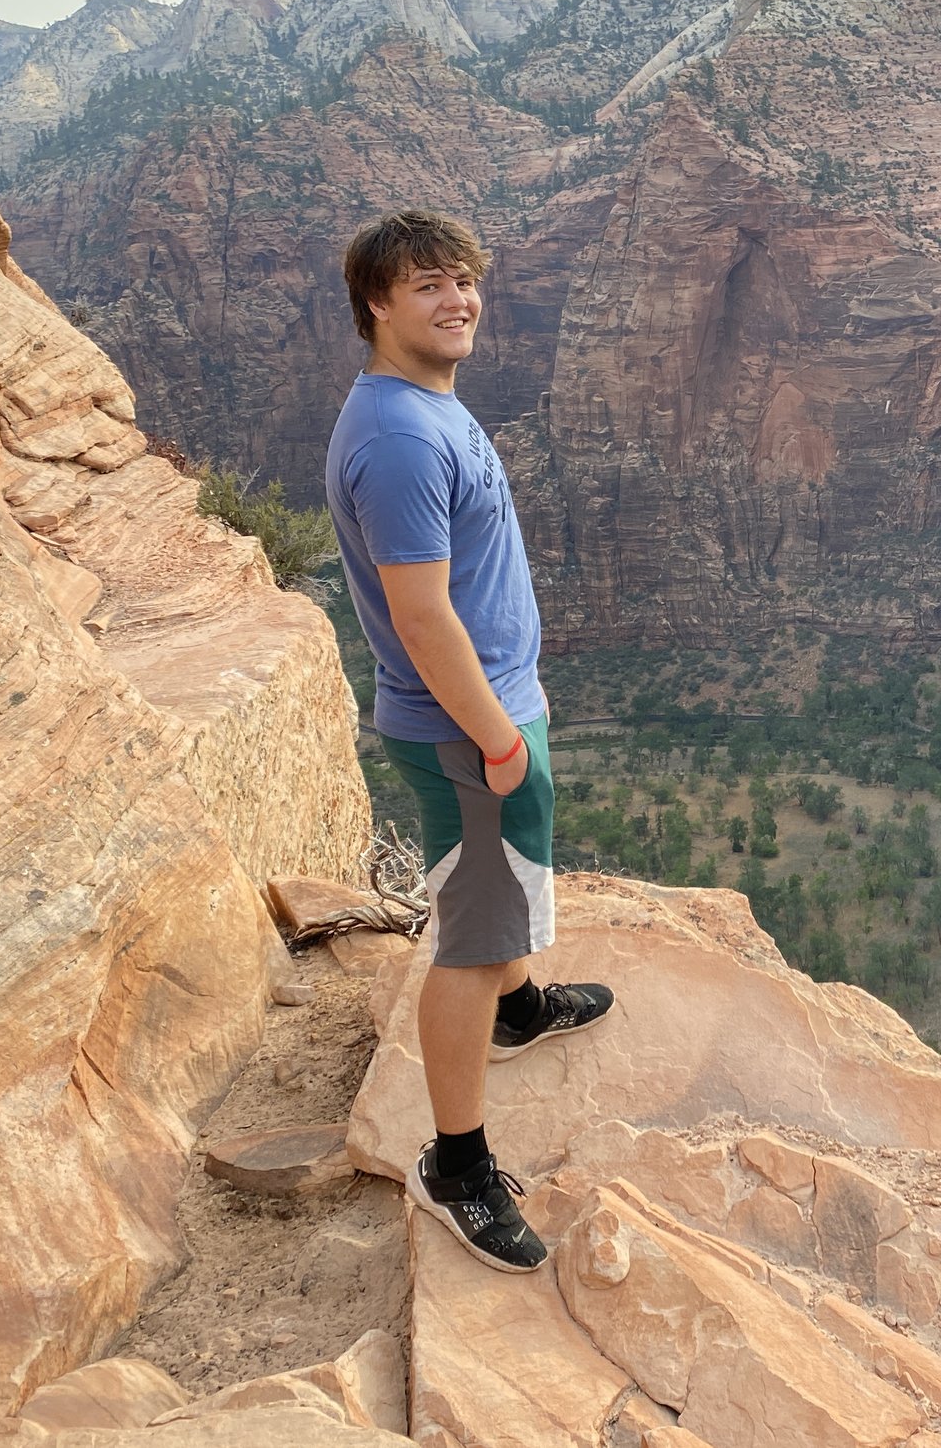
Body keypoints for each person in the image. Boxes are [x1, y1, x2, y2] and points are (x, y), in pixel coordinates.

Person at [324, 208, 613, 1272]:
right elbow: (420, 614)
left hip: (493, 703)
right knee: (473, 936)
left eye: (463, 280)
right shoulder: (400, 436)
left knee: (503, 895)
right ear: (377, 305)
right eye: (427, 286)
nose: (456, 301)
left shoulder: (422, 404)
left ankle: (522, 1006)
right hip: (465, 723)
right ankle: (457, 1164)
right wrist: (496, 736)